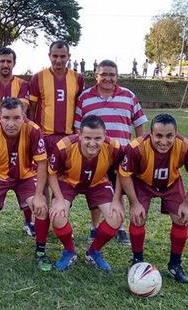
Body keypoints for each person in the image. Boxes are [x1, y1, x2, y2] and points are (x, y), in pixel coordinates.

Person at [0, 98, 52, 271]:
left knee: (41, 208)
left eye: (16, 118)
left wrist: (38, 195)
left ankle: (41, 252)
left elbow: (42, 164)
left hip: (26, 176)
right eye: (6, 118)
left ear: (24, 117)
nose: (11, 123)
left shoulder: (34, 131)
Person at [122, 113, 188, 283]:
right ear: (150, 134)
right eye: (158, 135)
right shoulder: (136, 147)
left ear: (176, 134)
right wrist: (134, 203)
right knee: (138, 218)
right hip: (142, 183)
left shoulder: (186, 147)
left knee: (181, 219)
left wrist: (187, 203)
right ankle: (137, 260)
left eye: (169, 136)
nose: (164, 141)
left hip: (171, 183)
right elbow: (124, 175)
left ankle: (175, 264)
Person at [74, 59, 148, 246]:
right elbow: (77, 129)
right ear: (96, 76)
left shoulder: (129, 96)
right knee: (96, 191)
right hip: (94, 155)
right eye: (104, 74)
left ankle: (119, 227)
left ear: (117, 77)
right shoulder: (84, 97)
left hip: (120, 155)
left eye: (111, 75)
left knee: (119, 191)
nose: (108, 78)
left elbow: (140, 125)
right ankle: (94, 226)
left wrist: (139, 150)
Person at [48, 115, 127, 273]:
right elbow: (52, 173)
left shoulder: (115, 147)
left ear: (105, 134)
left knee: (116, 216)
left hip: (98, 182)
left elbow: (122, 173)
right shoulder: (64, 146)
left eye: (98, 138)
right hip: (68, 181)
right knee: (58, 214)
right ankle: (69, 252)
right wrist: (57, 198)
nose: (92, 143)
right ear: (79, 135)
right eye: (88, 138)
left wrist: (117, 199)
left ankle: (93, 252)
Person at [0, 47, 34, 236]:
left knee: (23, 175)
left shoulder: (23, 84)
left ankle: (29, 222)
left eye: (8, 61)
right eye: (2, 61)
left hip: (20, 139)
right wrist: (6, 111)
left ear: (14, 63)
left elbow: (23, 109)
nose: (5, 64)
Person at [28, 40, 85, 158]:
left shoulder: (77, 78)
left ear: (69, 57)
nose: (58, 60)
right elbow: (32, 109)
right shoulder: (38, 78)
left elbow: (79, 108)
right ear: (49, 56)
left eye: (63, 56)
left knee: (66, 174)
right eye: (55, 56)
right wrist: (33, 134)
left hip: (69, 136)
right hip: (45, 136)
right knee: (44, 173)